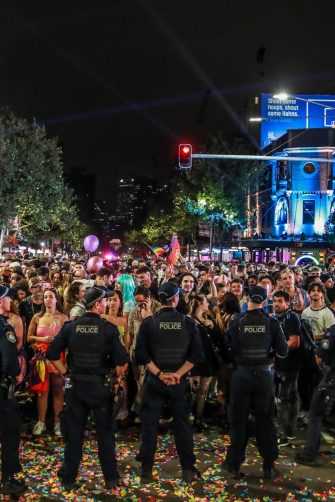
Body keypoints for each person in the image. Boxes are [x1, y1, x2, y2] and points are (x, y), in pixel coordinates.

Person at [46, 287, 129, 490]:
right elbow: (121, 362)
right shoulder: (108, 328)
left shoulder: (70, 326)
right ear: (97, 303)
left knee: (74, 435)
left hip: (76, 387)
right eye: (104, 301)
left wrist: (65, 372)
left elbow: (52, 353)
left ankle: (68, 479)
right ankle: (110, 478)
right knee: (105, 435)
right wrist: (117, 379)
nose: (106, 304)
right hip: (100, 388)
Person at [135, 281, 204, 483]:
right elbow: (196, 355)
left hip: (155, 381)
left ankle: (146, 470)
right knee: (182, 426)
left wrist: (159, 374)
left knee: (149, 425)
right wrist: (177, 374)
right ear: (175, 299)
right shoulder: (188, 323)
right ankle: (187, 470)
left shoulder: (149, 323)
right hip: (178, 383)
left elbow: (141, 354)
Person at [223, 286, 288, 479]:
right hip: (264, 377)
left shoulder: (236, 323)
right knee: (266, 421)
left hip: (241, 376)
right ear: (265, 301)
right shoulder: (273, 323)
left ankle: (233, 464)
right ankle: (268, 465)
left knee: (238, 421)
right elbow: (282, 351)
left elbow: (228, 350)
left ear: (247, 299)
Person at [27, 287, 68, 436]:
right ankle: (41, 422)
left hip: (58, 359)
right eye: (45, 297)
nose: (47, 299)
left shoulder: (64, 318)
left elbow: (69, 341)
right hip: (41, 358)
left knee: (58, 391)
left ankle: (58, 423)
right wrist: (42, 339)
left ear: (56, 299)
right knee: (42, 392)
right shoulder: (37, 317)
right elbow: (29, 337)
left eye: (50, 296)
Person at [0, 286, 27, 497]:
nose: (9, 300)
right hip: (2, 391)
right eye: (7, 298)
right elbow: (10, 360)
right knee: (9, 433)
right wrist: (17, 373)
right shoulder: (4, 328)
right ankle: (8, 479)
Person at [295, 325, 335, 466]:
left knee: (315, 415)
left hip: (331, 380)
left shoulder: (332, 331)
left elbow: (319, 357)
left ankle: (309, 455)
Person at [273, 290, 301, 446]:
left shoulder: (291, 317)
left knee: (284, 399)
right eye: (275, 300)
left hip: (289, 365)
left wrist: (277, 349)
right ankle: (290, 430)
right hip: (288, 364)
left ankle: (282, 434)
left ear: (287, 303)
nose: (276, 304)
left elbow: (295, 341)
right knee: (292, 396)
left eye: (280, 301)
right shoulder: (281, 317)